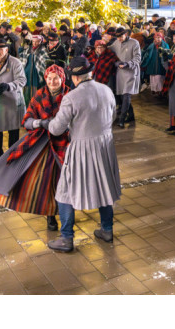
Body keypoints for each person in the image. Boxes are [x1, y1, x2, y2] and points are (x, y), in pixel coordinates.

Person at [46, 57, 122, 252]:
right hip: (105, 145)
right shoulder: (106, 90)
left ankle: (66, 238)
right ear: (90, 73)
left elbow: (56, 129)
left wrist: (45, 123)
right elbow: (113, 115)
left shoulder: (71, 97)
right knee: (104, 187)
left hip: (81, 147)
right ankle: (106, 229)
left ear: (74, 77)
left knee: (65, 192)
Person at [0, 64, 71, 233]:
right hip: (43, 142)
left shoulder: (70, 96)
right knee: (47, 181)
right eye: (49, 78)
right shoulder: (39, 95)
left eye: (56, 78)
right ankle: (50, 215)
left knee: (67, 179)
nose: (53, 81)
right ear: (45, 79)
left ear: (63, 79)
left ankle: (68, 215)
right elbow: (26, 120)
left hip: (65, 143)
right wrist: (41, 123)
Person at [108, 27, 142, 128]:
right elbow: (109, 49)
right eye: (117, 37)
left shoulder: (134, 43)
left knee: (126, 95)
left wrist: (128, 64)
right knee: (123, 96)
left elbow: (138, 58)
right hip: (120, 73)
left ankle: (122, 119)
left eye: (121, 37)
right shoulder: (116, 43)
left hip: (131, 72)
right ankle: (131, 115)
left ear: (126, 34)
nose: (119, 39)